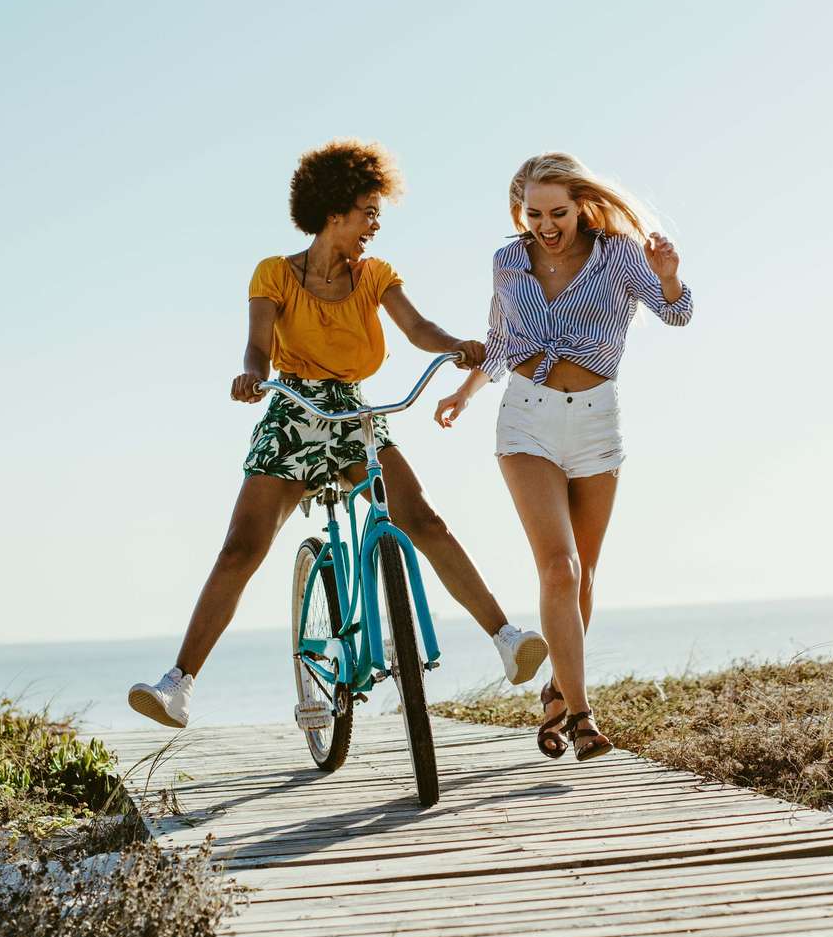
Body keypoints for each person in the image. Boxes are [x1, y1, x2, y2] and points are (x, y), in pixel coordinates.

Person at [129, 139, 547, 728]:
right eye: (368, 212)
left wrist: (454, 345)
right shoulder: (274, 274)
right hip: (293, 410)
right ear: (333, 213)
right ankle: (178, 684)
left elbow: (417, 327)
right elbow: (257, 346)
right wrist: (252, 378)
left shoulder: (376, 276)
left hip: (351, 413)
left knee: (423, 519)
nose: (375, 224)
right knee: (241, 549)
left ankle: (506, 639)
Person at [434, 152, 693, 760]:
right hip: (527, 420)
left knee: (585, 578)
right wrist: (465, 393)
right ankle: (582, 716)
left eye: (558, 212)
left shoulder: (620, 255)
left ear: (580, 204)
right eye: (533, 214)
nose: (546, 225)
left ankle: (555, 693)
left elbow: (677, 315)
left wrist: (669, 273)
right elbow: (500, 341)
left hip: (598, 422)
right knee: (560, 568)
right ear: (518, 211)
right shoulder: (507, 262)